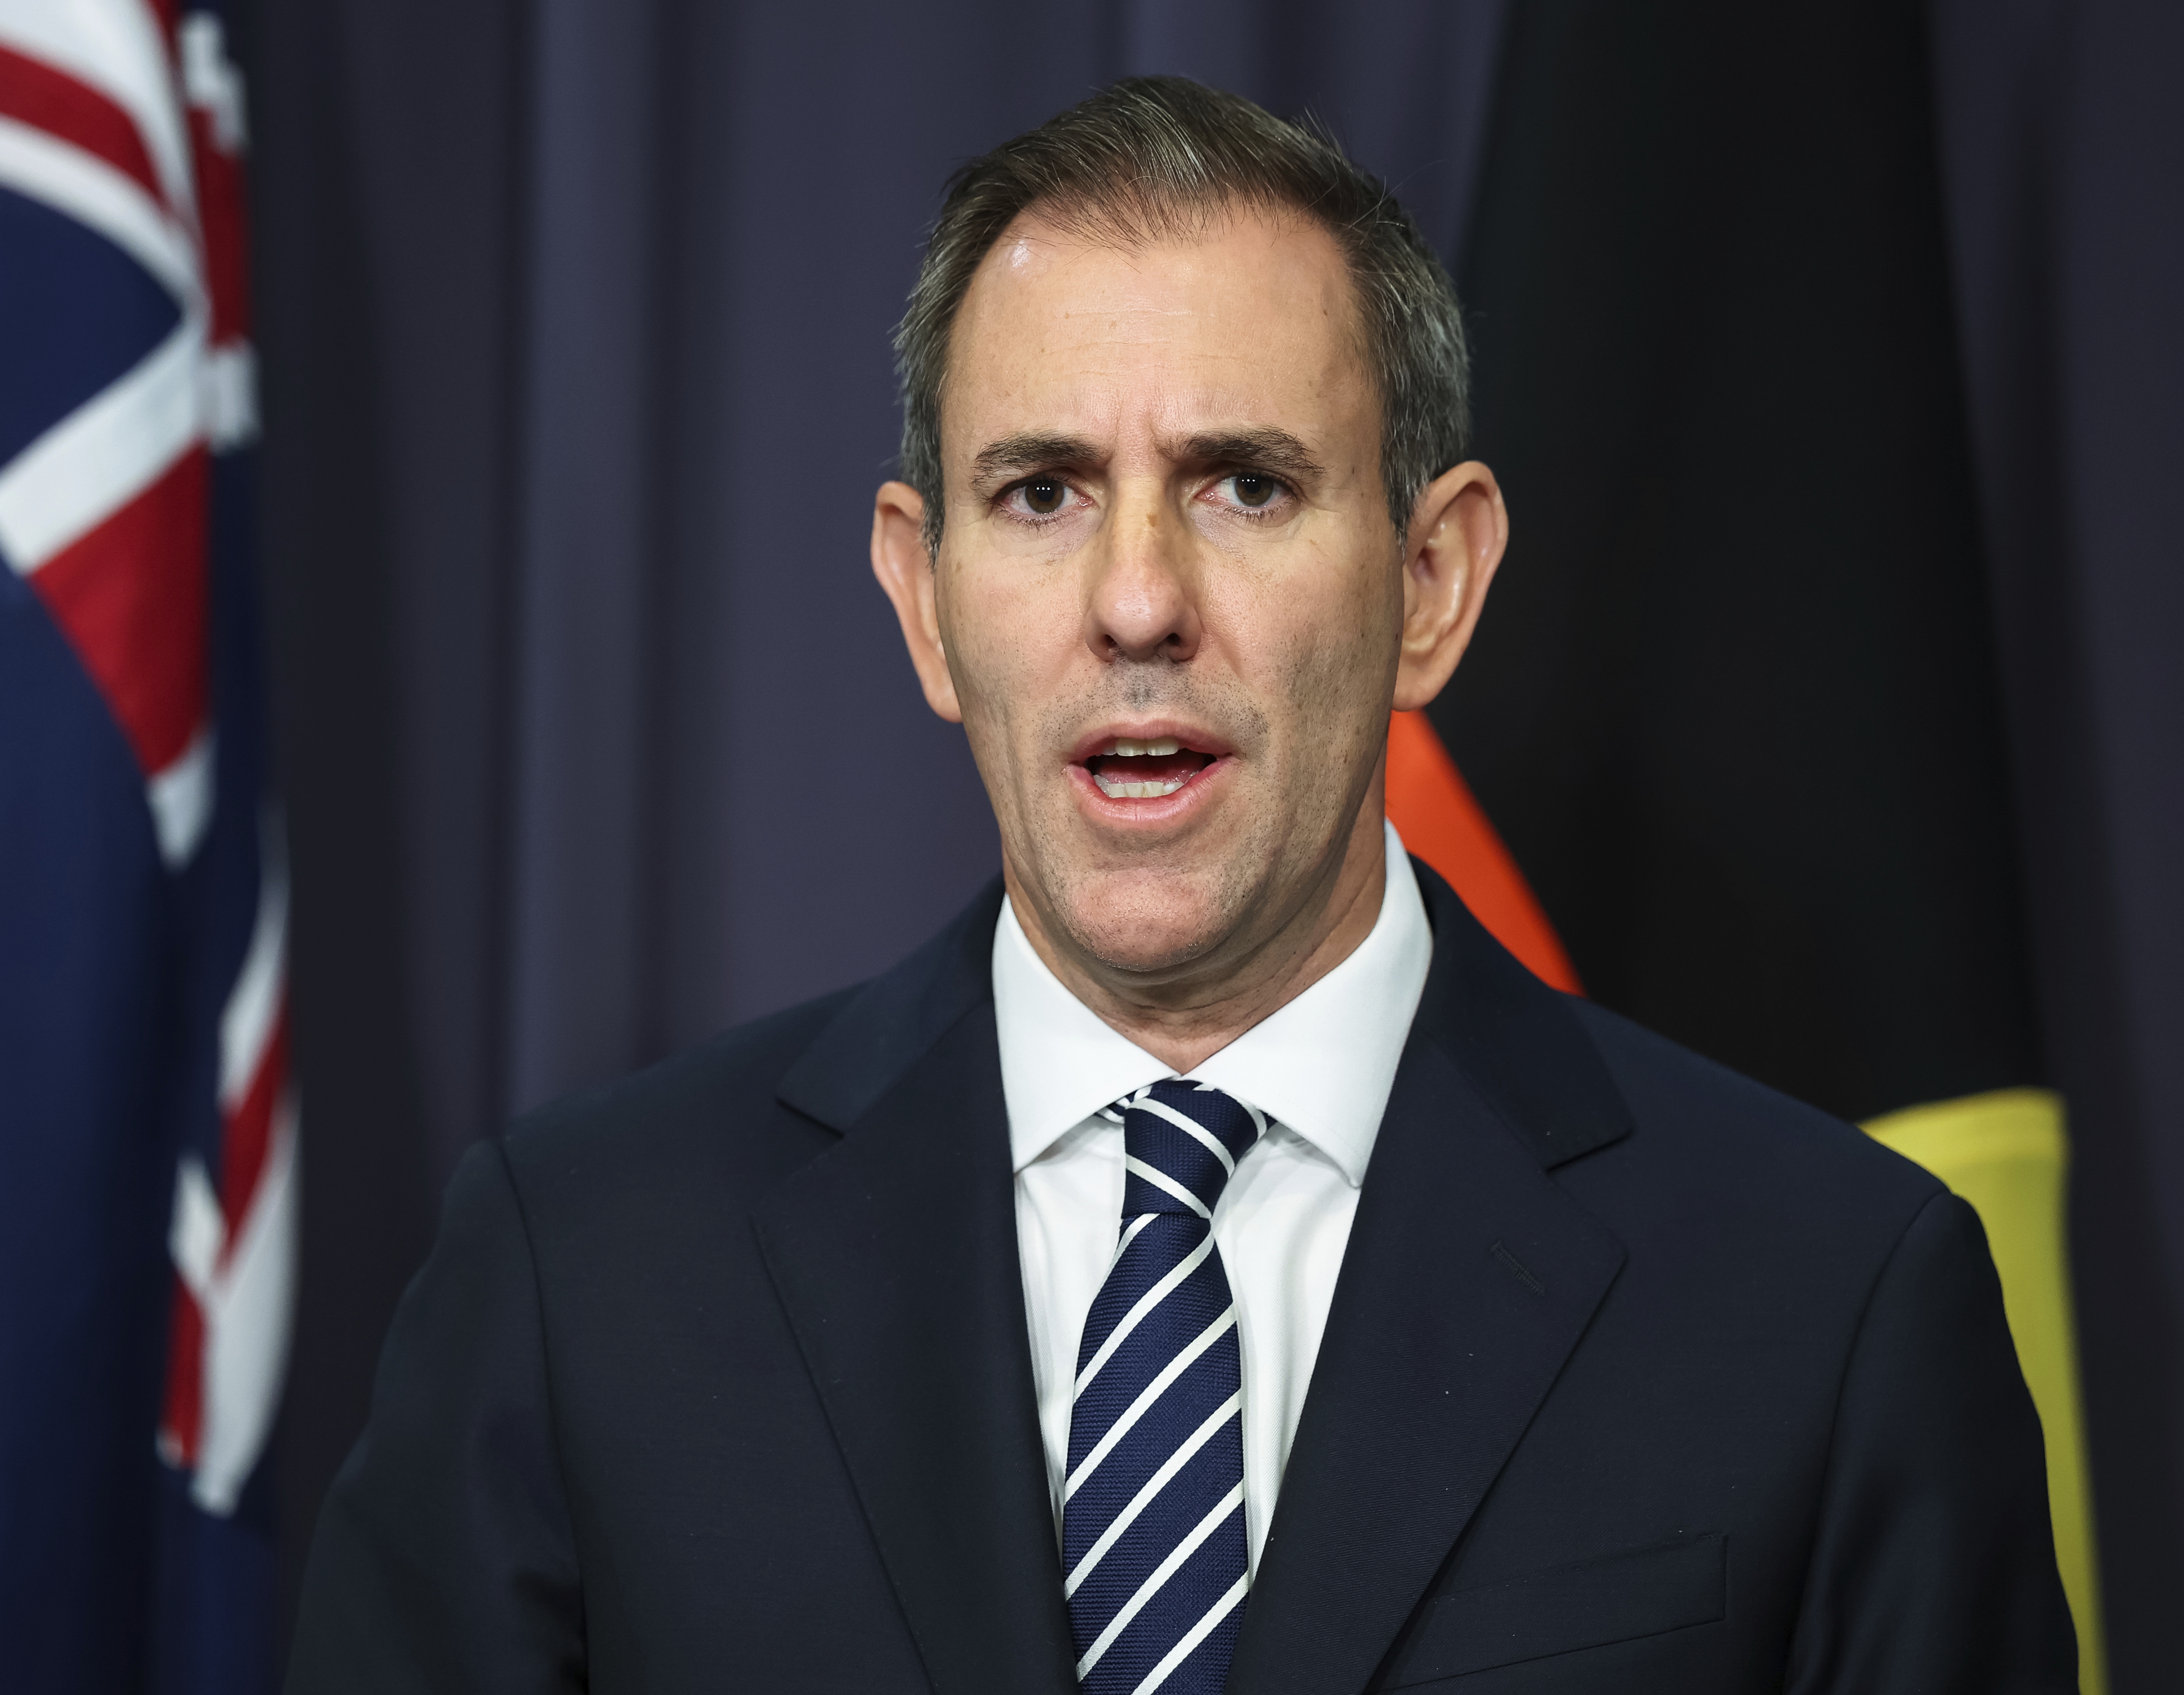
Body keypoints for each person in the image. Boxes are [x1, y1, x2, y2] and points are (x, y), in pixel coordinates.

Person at [286, 77, 2074, 1694]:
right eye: (1042, 492)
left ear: (1433, 582)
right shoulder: (582, 1277)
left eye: (1243, 485)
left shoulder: (1833, 1298)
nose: (1138, 601)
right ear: (924, 598)